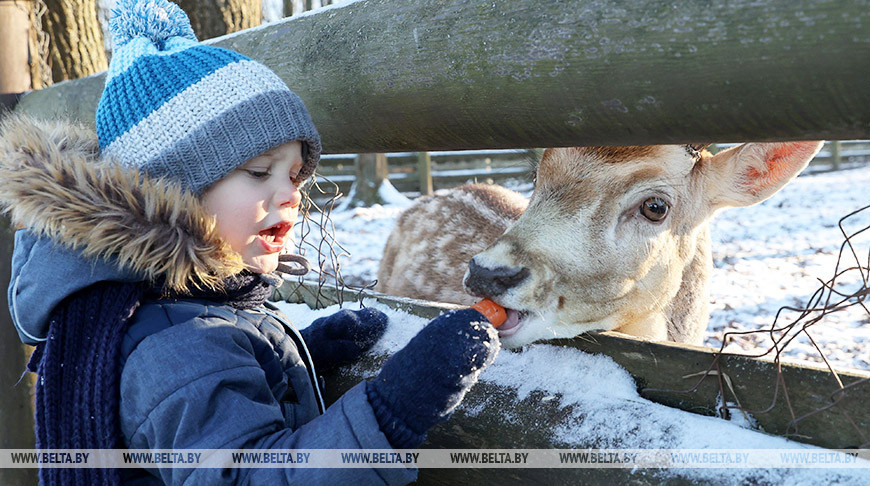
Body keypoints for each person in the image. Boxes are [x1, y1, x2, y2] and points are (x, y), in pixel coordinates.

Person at [0, 0, 500, 484]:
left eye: (297, 175)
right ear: (172, 191)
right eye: (260, 172)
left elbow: (204, 411)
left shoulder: (167, 308)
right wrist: (391, 411)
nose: (290, 194)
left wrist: (295, 357)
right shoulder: (179, 345)